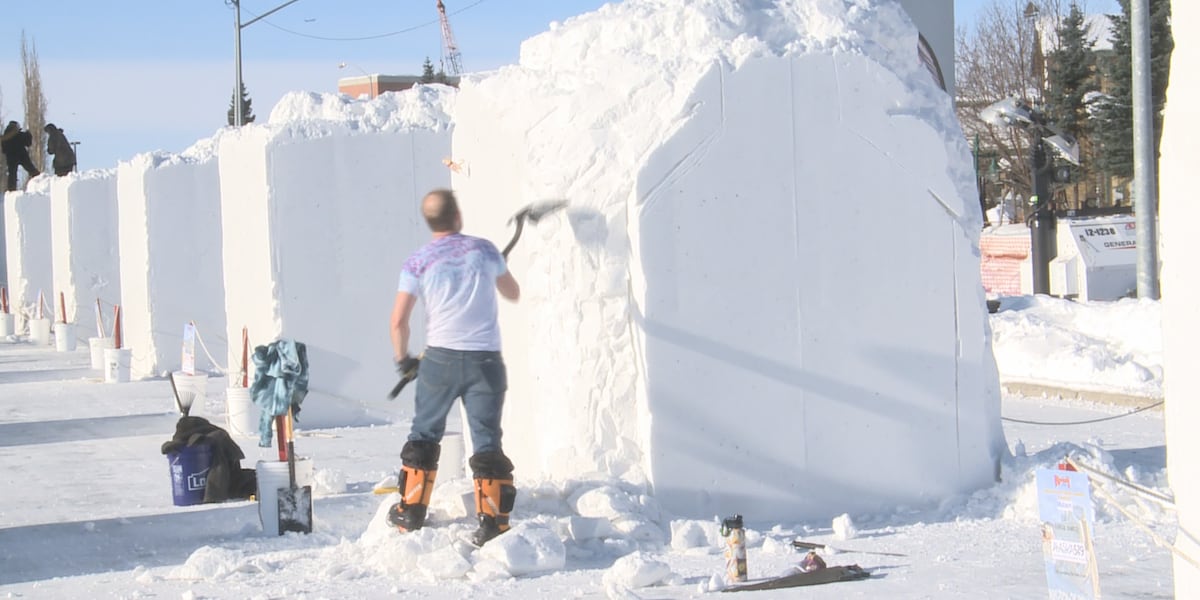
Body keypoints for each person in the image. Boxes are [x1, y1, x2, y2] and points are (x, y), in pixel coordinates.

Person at [387, 188, 521, 547]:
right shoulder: (485, 250)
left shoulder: (418, 261)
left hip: (440, 362)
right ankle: (493, 521)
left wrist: (404, 361)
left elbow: (399, 321)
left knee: (425, 432)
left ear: (430, 221)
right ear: (458, 216)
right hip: (485, 362)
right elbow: (513, 292)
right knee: (487, 437)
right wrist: (496, 271)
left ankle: (411, 511)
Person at [1, 121, 40, 191]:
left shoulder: (4, 137)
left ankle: (11, 190)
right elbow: (28, 143)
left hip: (11, 157)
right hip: (22, 155)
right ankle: (41, 182)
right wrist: (28, 134)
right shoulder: (19, 134)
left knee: (12, 174)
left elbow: (4, 150)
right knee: (31, 169)